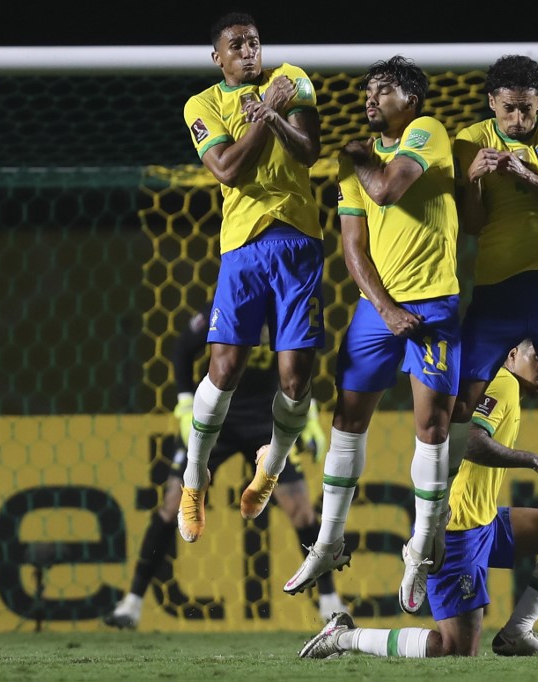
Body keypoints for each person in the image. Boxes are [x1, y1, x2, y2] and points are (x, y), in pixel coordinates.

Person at [282, 56, 460, 615]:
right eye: (367, 90)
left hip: (434, 304)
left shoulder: (426, 134)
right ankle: (329, 541)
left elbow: (386, 191)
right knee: (346, 418)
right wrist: (383, 309)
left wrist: (360, 158)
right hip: (377, 311)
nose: (370, 98)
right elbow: (352, 247)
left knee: (431, 426)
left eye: (382, 89)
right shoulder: (351, 159)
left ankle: (419, 550)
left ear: (410, 99)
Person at [299, 340, 538, 659]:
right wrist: (535, 461)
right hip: (456, 528)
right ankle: (344, 637)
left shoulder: (504, 386)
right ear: (512, 354)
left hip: (484, 520)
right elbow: (471, 440)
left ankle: (517, 632)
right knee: (455, 650)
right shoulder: (502, 385)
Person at [103, 306, 345, 629]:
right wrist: (186, 401)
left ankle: (329, 601)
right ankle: (131, 603)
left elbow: (302, 362)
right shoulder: (229, 304)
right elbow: (181, 349)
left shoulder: (287, 310)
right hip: (218, 417)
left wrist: (310, 413)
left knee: (301, 507)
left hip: (266, 420)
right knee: (173, 503)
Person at [178, 12, 324, 546]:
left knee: (295, 378)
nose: (248, 50)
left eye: (254, 42)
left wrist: (275, 112)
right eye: (236, 44)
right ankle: (195, 478)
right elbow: (227, 169)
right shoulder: (203, 104)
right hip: (242, 247)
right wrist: (266, 115)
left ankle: (271, 469)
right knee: (226, 366)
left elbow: (308, 152)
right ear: (217, 57)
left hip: (299, 243)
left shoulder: (294, 79)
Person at [449, 55, 538, 580]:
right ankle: (429, 526)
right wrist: (473, 181)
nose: (518, 121)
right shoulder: (468, 138)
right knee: (459, 406)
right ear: (491, 104)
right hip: (495, 289)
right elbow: (471, 225)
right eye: (508, 110)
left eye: (527, 111)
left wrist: (524, 171)